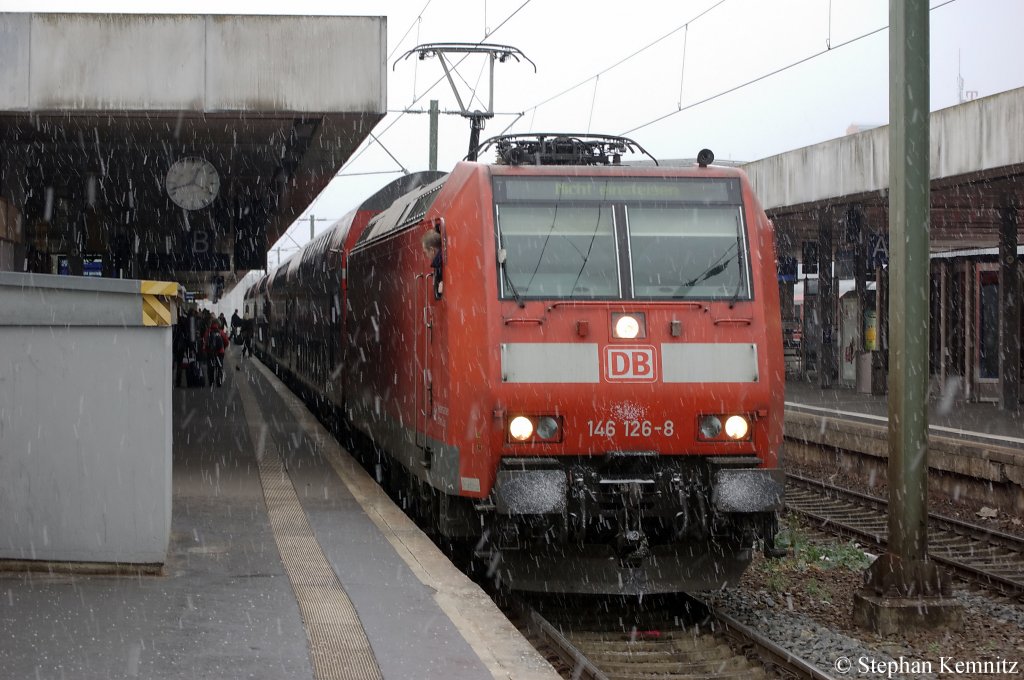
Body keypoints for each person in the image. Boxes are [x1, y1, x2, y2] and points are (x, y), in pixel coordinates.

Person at [203, 321, 229, 387]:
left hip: (210, 352)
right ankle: (219, 380)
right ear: (218, 324)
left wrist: (206, 350)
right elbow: (226, 341)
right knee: (219, 366)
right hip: (220, 352)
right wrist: (223, 348)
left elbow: (205, 342)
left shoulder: (208, 331)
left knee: (210, 367)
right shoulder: (220, 331)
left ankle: (211, 382)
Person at [421, 229, 443, 298]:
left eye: (426, 252)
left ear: (432, 250)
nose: (426, 255)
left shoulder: (440, 262)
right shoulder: (439, 261)